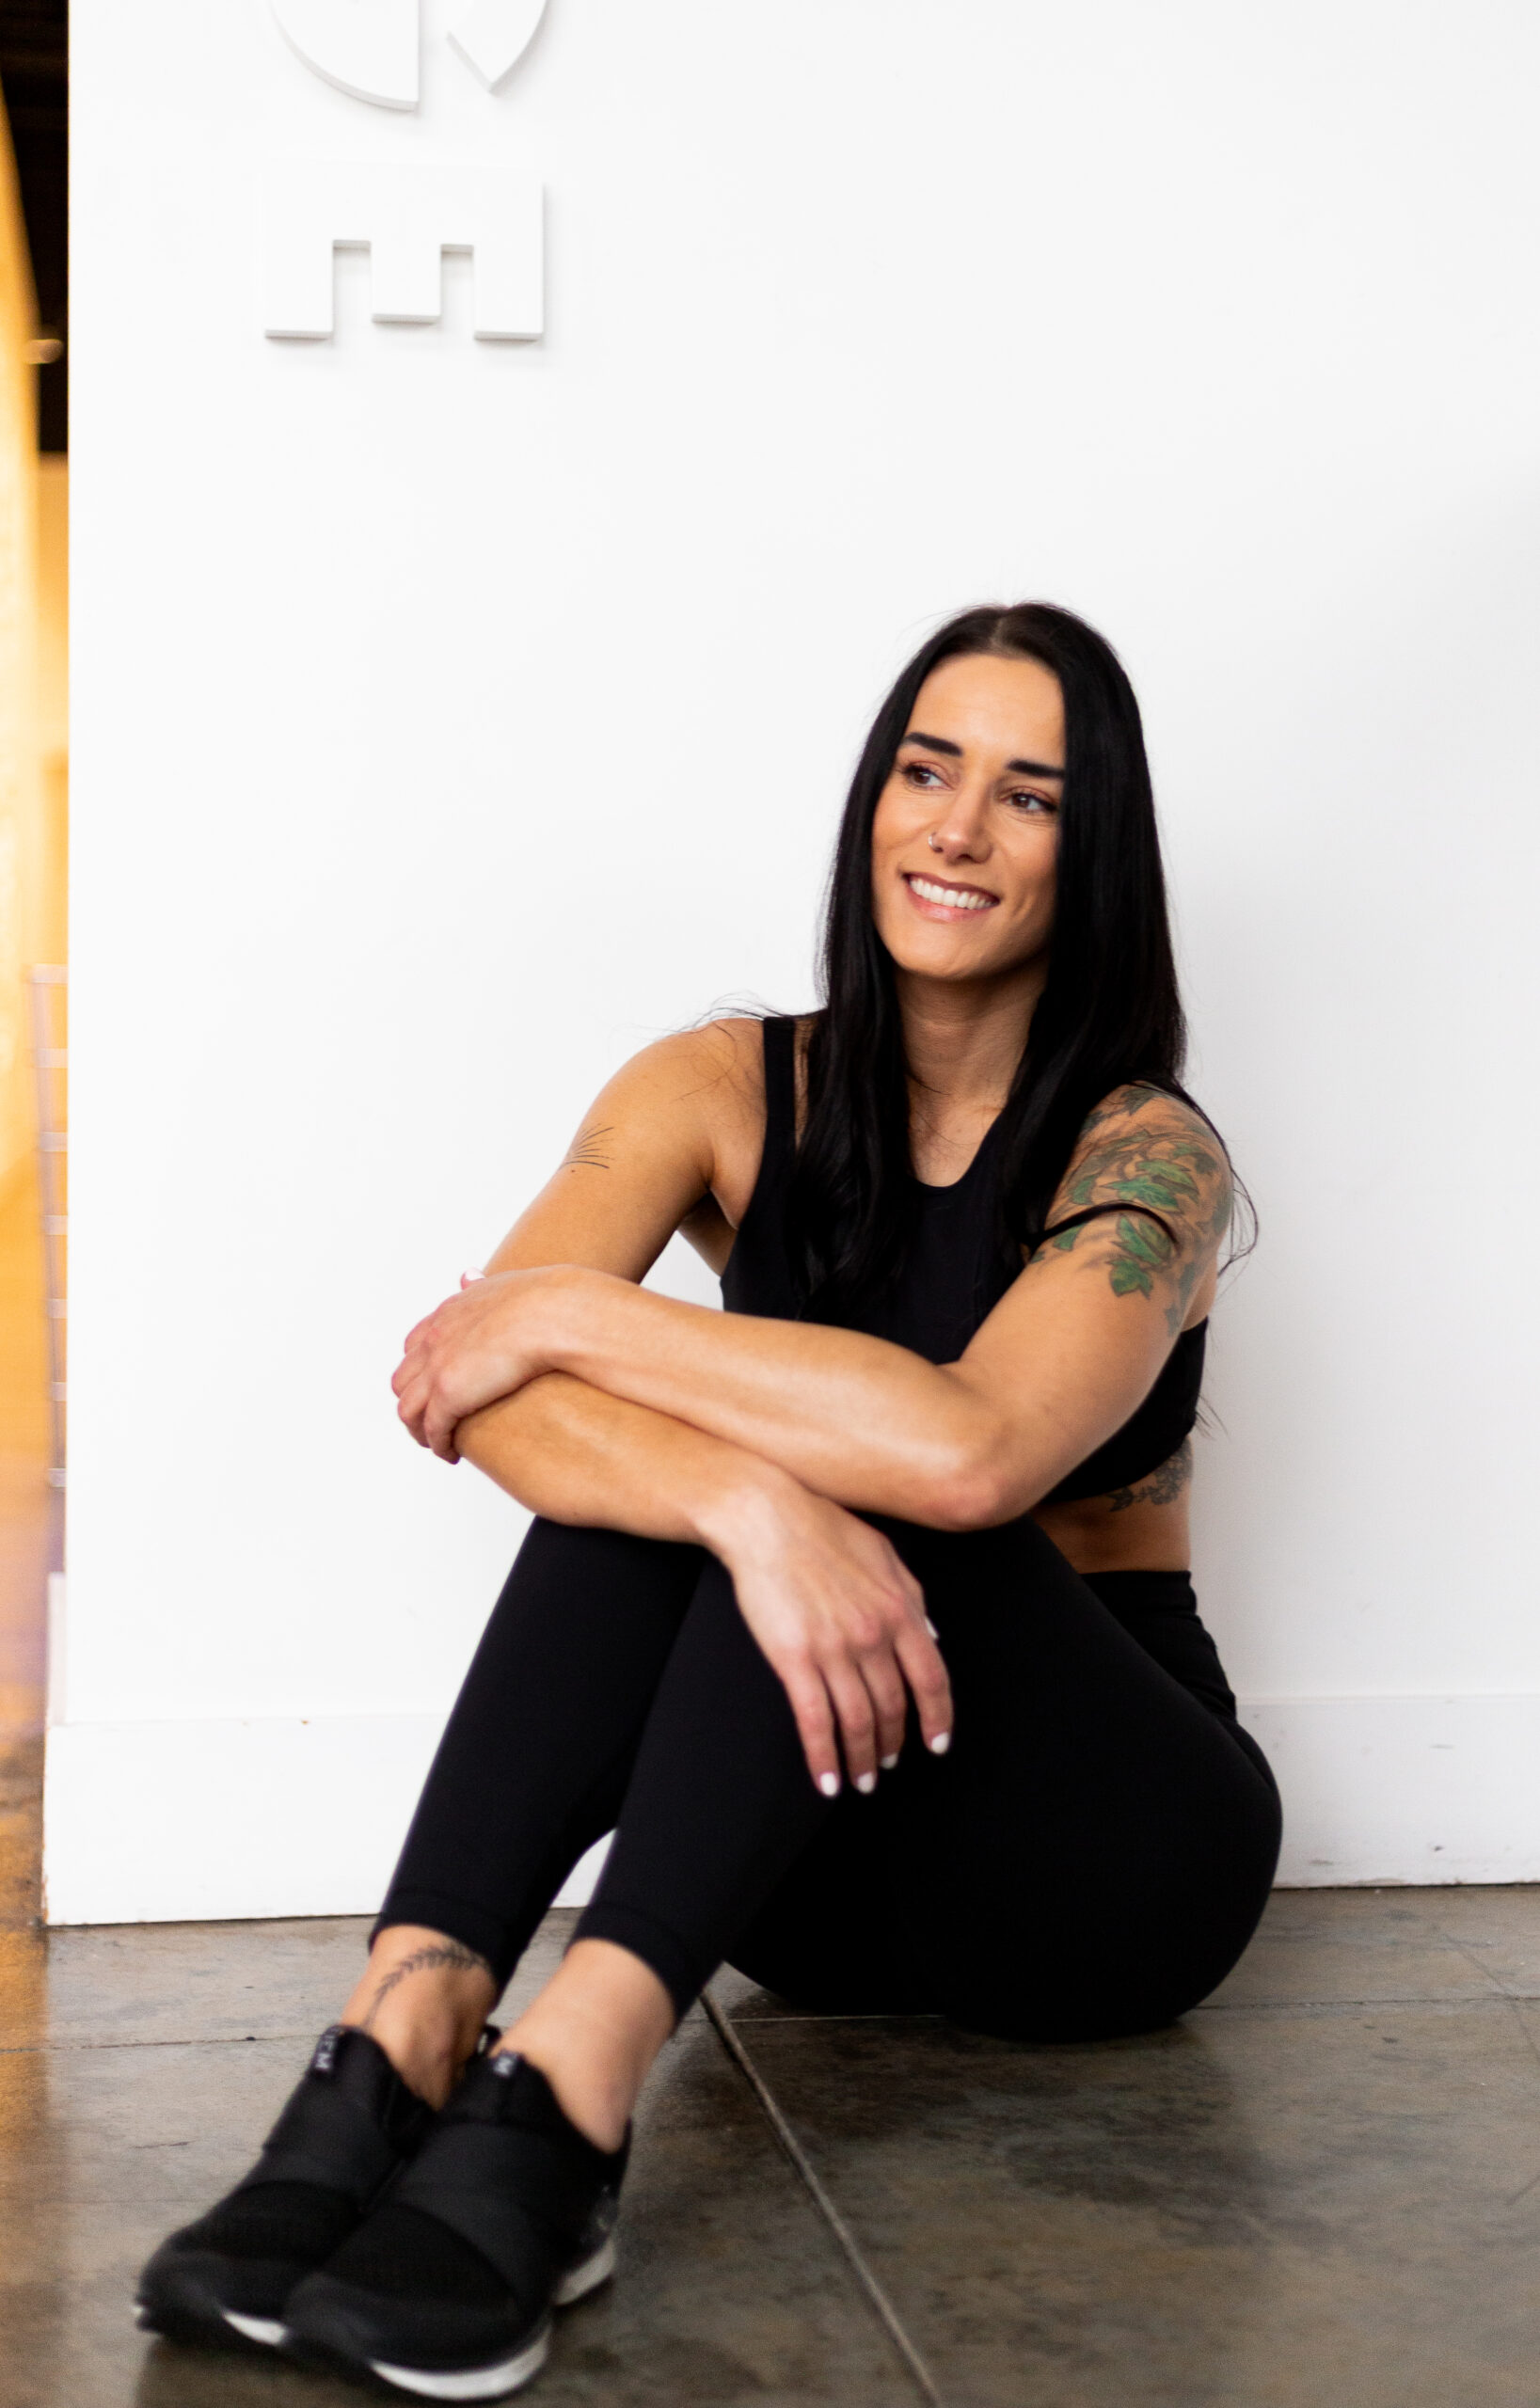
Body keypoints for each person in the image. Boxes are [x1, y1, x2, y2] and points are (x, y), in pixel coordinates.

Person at [137, 603, 1281, 2399]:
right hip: (798, 1869)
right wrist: (750, 1512)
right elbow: (483, 1399)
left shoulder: (1150, 1153)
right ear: (872, 798)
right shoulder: (719, 1086)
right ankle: (403, 2030)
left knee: (866, 1467)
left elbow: (969, 1452)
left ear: (1098, 852)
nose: (956, 828)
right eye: (924, 771)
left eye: (1028, 795)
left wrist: (587, 1318)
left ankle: (569, 2094)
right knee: (703, 1484)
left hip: (1099, 1857)